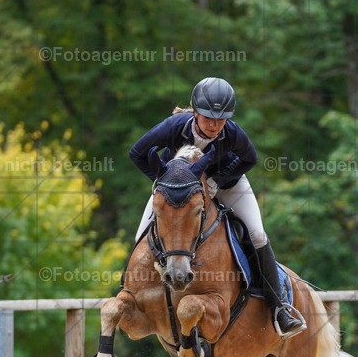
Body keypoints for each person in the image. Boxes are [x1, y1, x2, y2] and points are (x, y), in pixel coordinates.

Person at [129, 77, 305, 337]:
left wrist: (216, 181)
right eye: (209, 118)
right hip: (177, 189)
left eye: (221, 119)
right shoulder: (174, 126)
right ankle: (136, 297)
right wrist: (162, 181)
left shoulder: (232, 132)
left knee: (257, 234)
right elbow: (137, 152)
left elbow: (250, 159)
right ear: (195, 113)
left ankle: (279, 308)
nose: (214, 125)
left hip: (226, 184)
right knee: (140, 234)